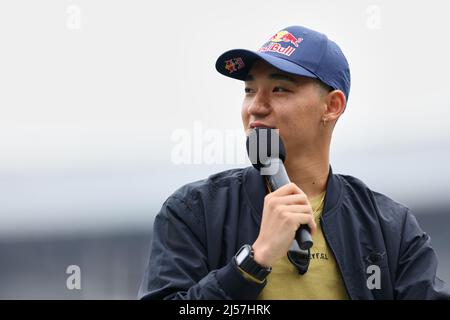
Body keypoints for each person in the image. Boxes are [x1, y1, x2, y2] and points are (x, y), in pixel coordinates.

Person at [138, 25, 450, 299]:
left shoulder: (388, 226)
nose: (256, 107)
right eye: (249, 90)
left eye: (279, 89)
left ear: (332, 106)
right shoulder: (194, 212)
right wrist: (253, 262)